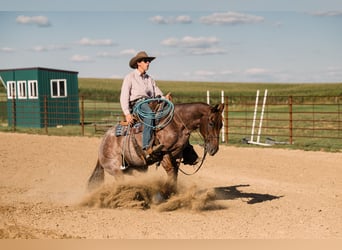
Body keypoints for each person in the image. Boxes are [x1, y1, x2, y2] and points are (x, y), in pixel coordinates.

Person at [120, 51, 171, 159]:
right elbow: (124, 96)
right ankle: (146, 146)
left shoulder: (150, 79)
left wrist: (164, 98)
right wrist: (127, 114)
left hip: (151, 102)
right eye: (146, 61)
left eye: (149, 61)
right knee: (149, 113)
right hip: (138, 104)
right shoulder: (130, 77)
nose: (148, 63)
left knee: (169, 112)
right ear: (138, 63)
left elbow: (157, 93)